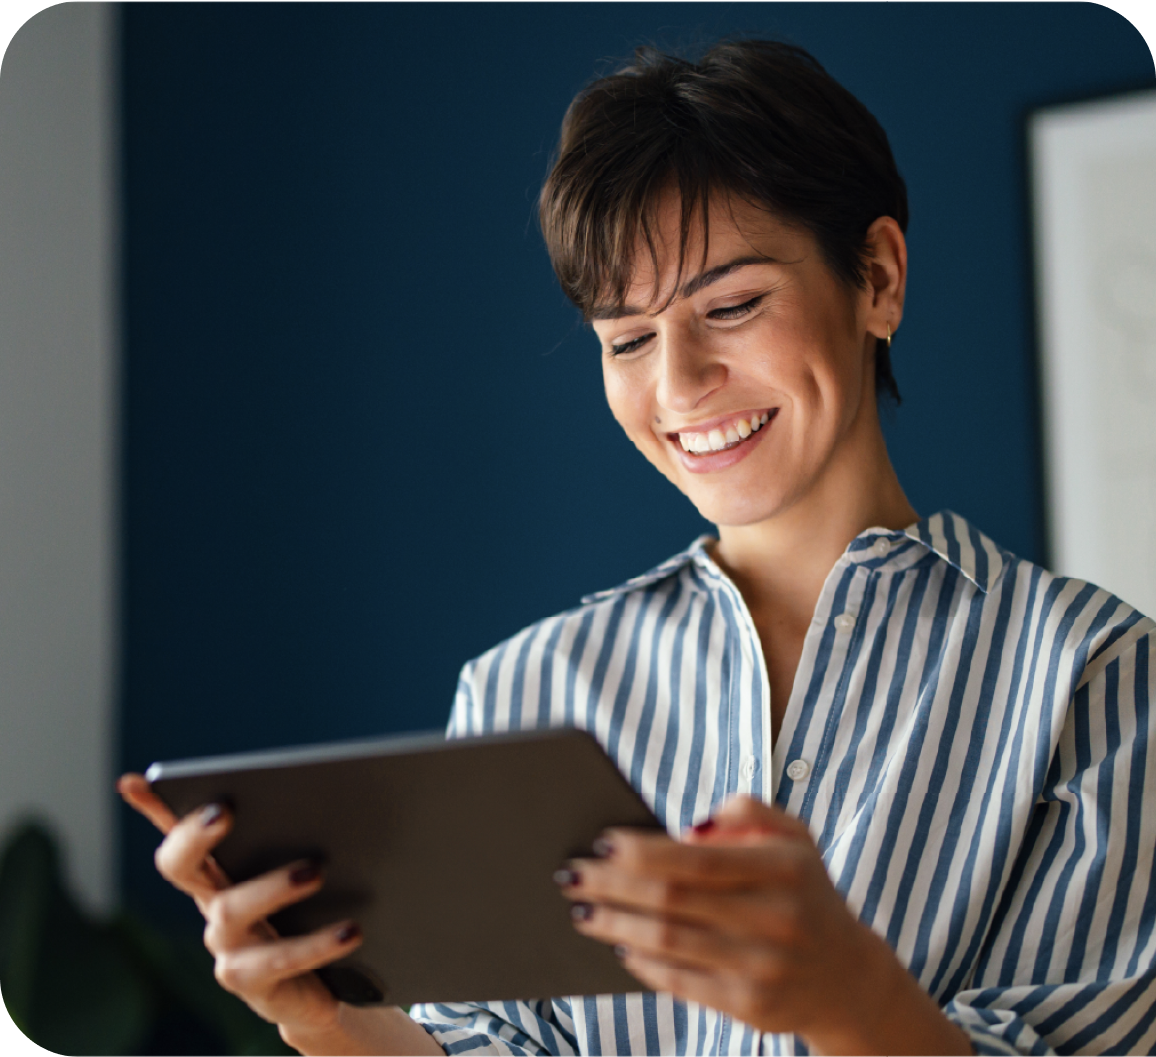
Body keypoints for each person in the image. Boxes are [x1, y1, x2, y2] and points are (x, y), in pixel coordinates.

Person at [119, 39, 1156, 1057]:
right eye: (626, 340)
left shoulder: (1095, 675)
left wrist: (853, 1000)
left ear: (877, 277)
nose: (677, 383)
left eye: (733, 305)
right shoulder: (523, 689)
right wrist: (326, 1020)